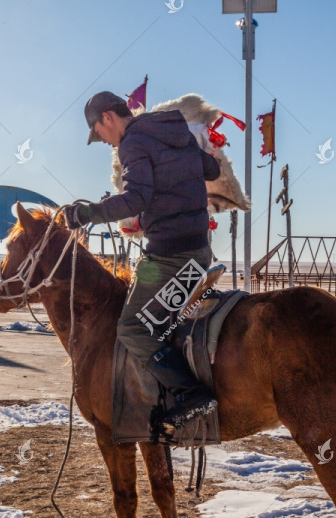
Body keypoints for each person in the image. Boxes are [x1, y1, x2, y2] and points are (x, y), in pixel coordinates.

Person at [63, 91, 221, 437]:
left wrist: (87, 212)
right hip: (200, 250)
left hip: (170, 255)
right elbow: (210, 167)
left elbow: (137, 198)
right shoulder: (172, 130)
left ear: (107, 117)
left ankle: (191, 394)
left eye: (98, 133)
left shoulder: (132, 143)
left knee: (132, 329)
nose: (104, 142)